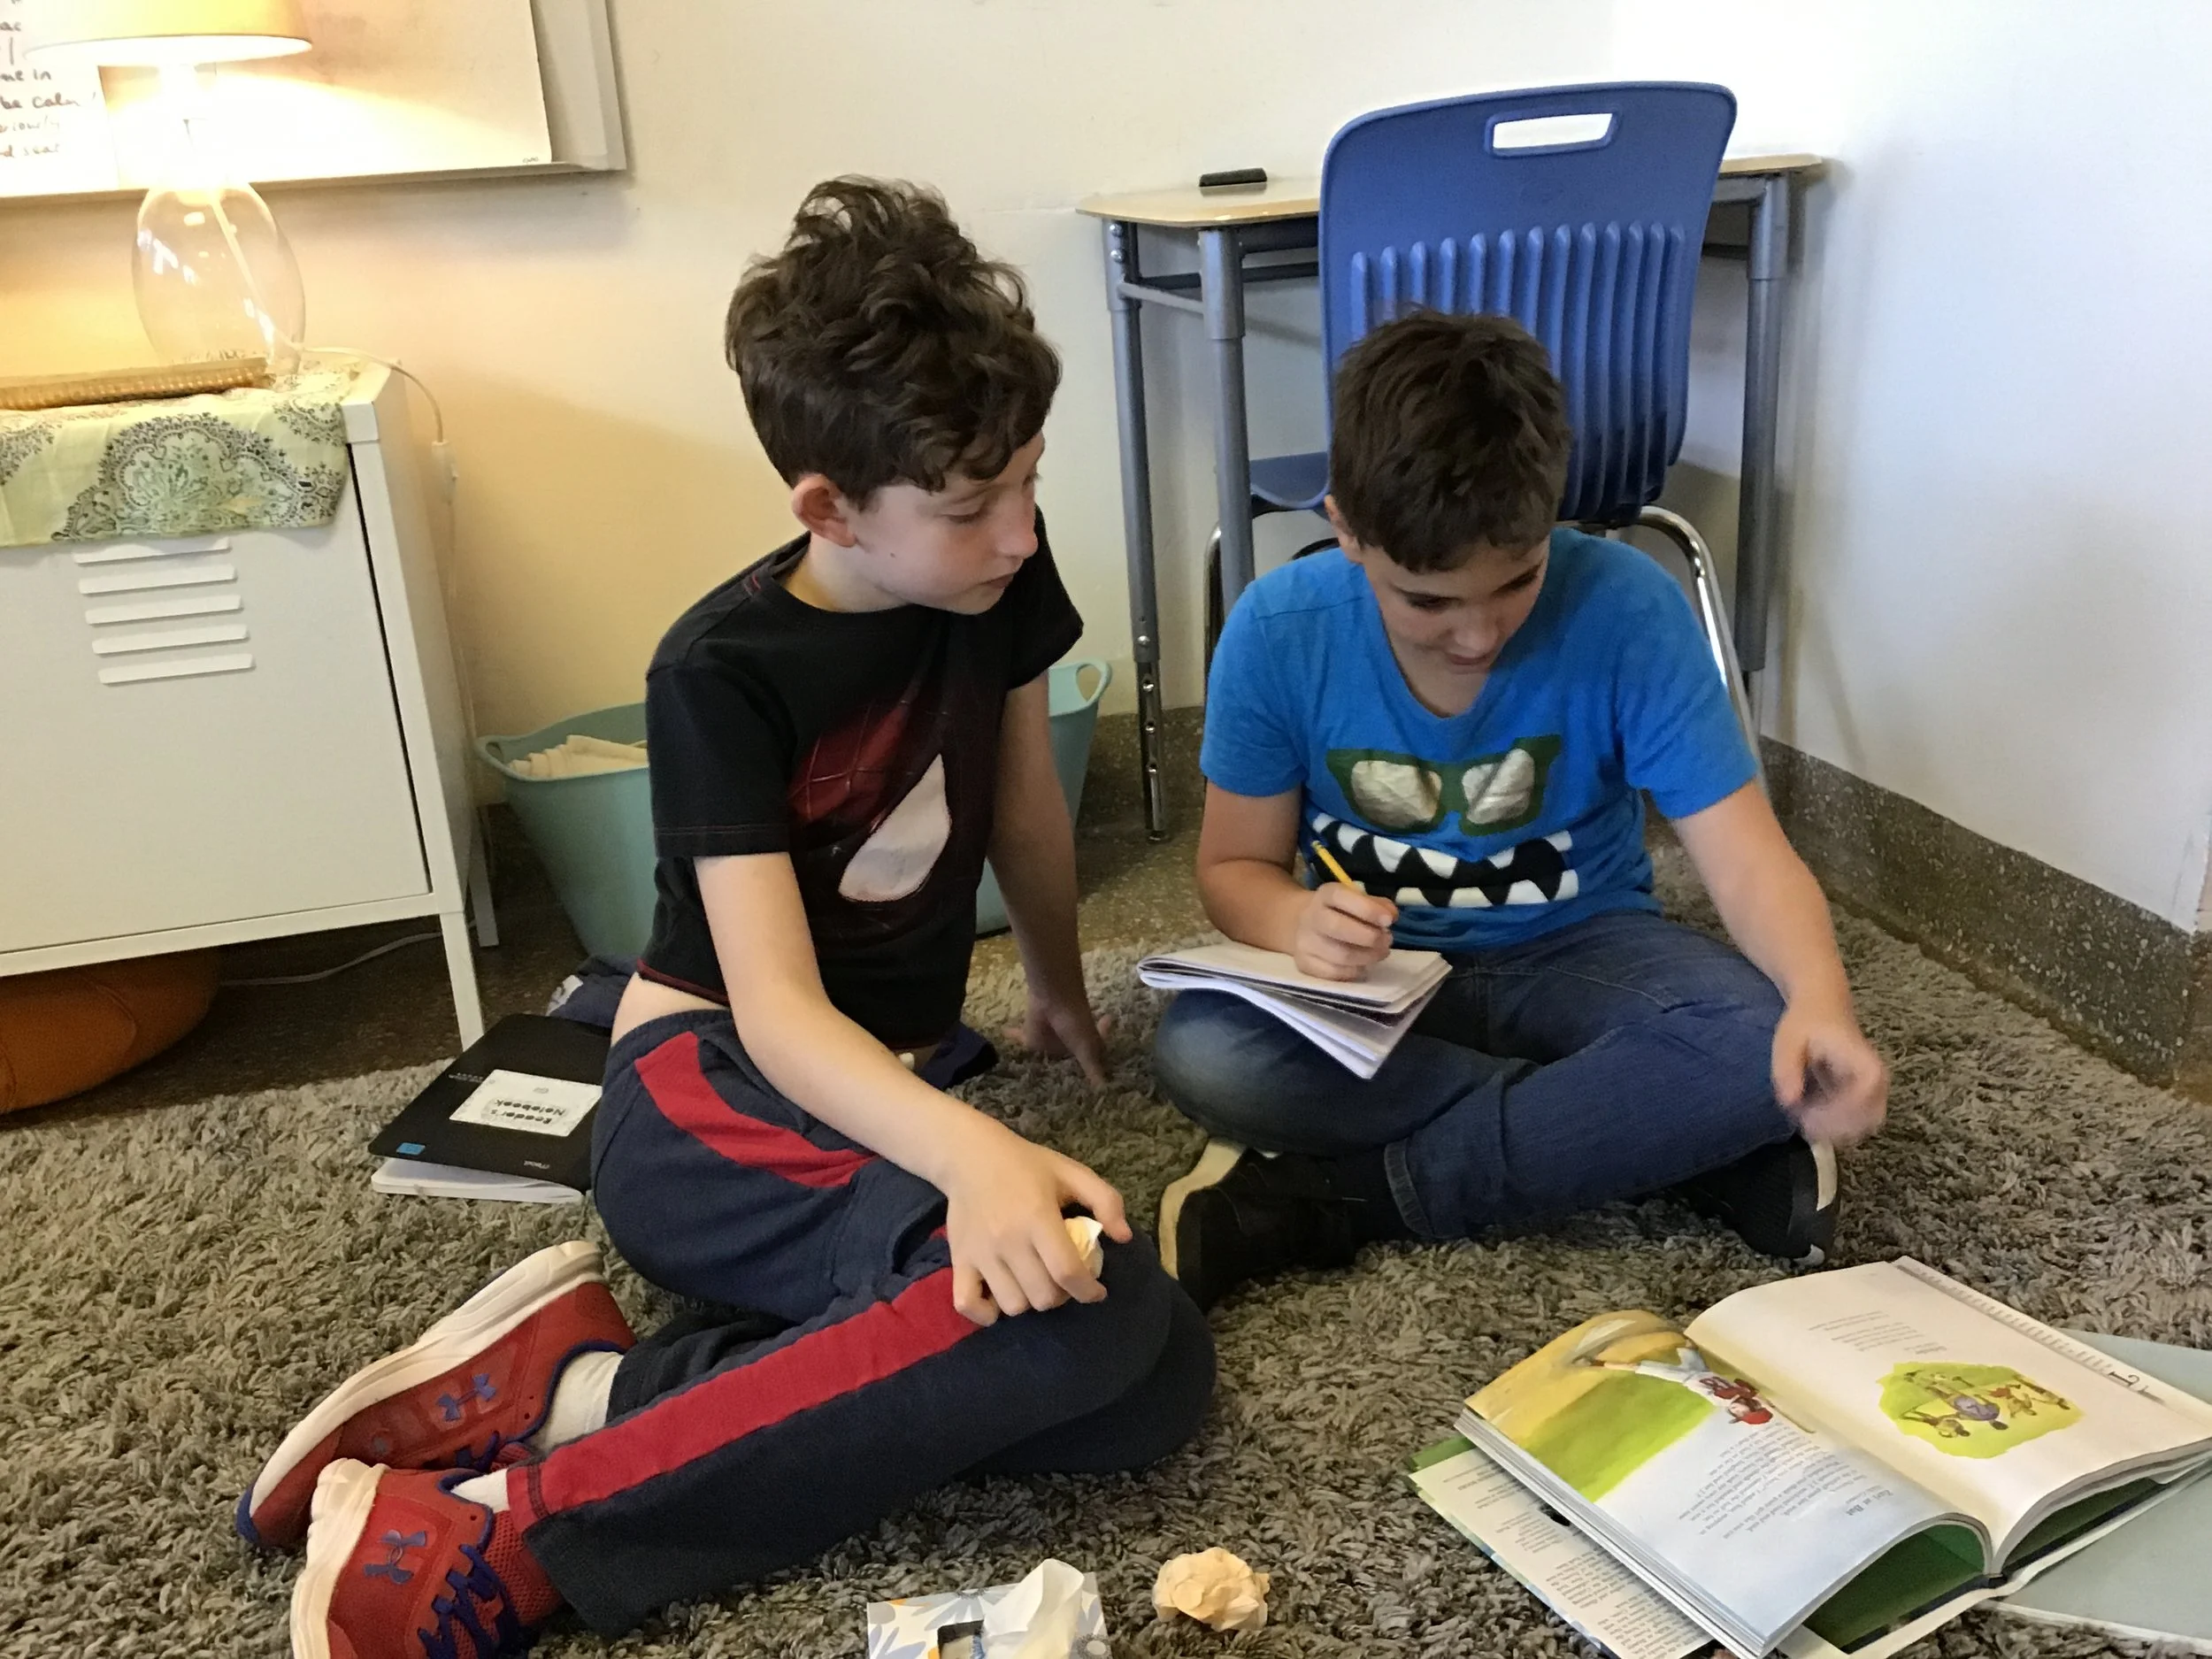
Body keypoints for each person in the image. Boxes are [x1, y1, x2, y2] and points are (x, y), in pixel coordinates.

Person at [241, 178, 1213, 1659]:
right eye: (972, 507)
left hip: (879, 1086)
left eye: (1030, 479)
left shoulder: (1000, 571)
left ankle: (582, 1391)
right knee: (1091, 1309)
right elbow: (774, 1007)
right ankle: (517, 1524)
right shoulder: (718, 670)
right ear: (828, 507)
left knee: (1150, 1381)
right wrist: (977, 1155)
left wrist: (1060, 987)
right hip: (706, 1094)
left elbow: (1027, 799)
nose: (1020, 531)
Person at [1151, 309, 1889, 1310]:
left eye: (1518, 581)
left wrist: (1821, 1000)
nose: (1477, 635)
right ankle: (1647, 1136)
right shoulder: (1278, 629)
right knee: (1205, 1049)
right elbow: (1232, 869)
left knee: (1755, 1036)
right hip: (1379, 980)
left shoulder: (1627, 604)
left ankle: (1342, 1200)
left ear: (1555, 518)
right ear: (1345, 528)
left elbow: (1748, 857)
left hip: (1582, 946)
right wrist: (1293, 920)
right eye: (1426, 600)